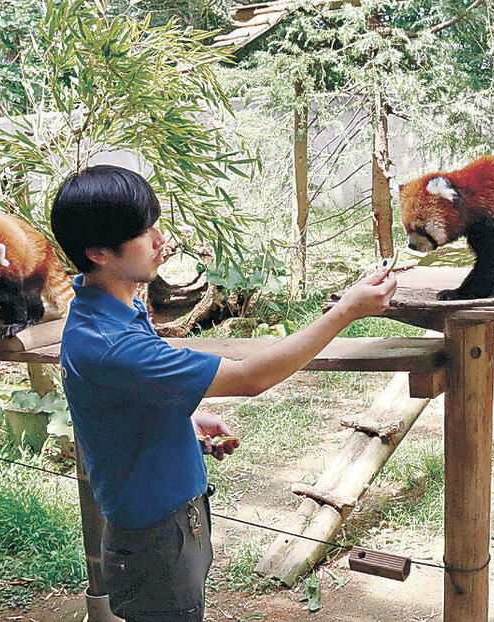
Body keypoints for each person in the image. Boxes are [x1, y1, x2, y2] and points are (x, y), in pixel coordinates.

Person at [50, 164, 397, 622]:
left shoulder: (117, 309)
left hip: (170, 518)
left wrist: (184, 418)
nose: (160, 239)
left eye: (156, 222)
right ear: (98, 252)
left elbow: (123, 400)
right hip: (154, 536)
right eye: (142, 232)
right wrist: (344, 312)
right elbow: (250, 377)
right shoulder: (112, 344)